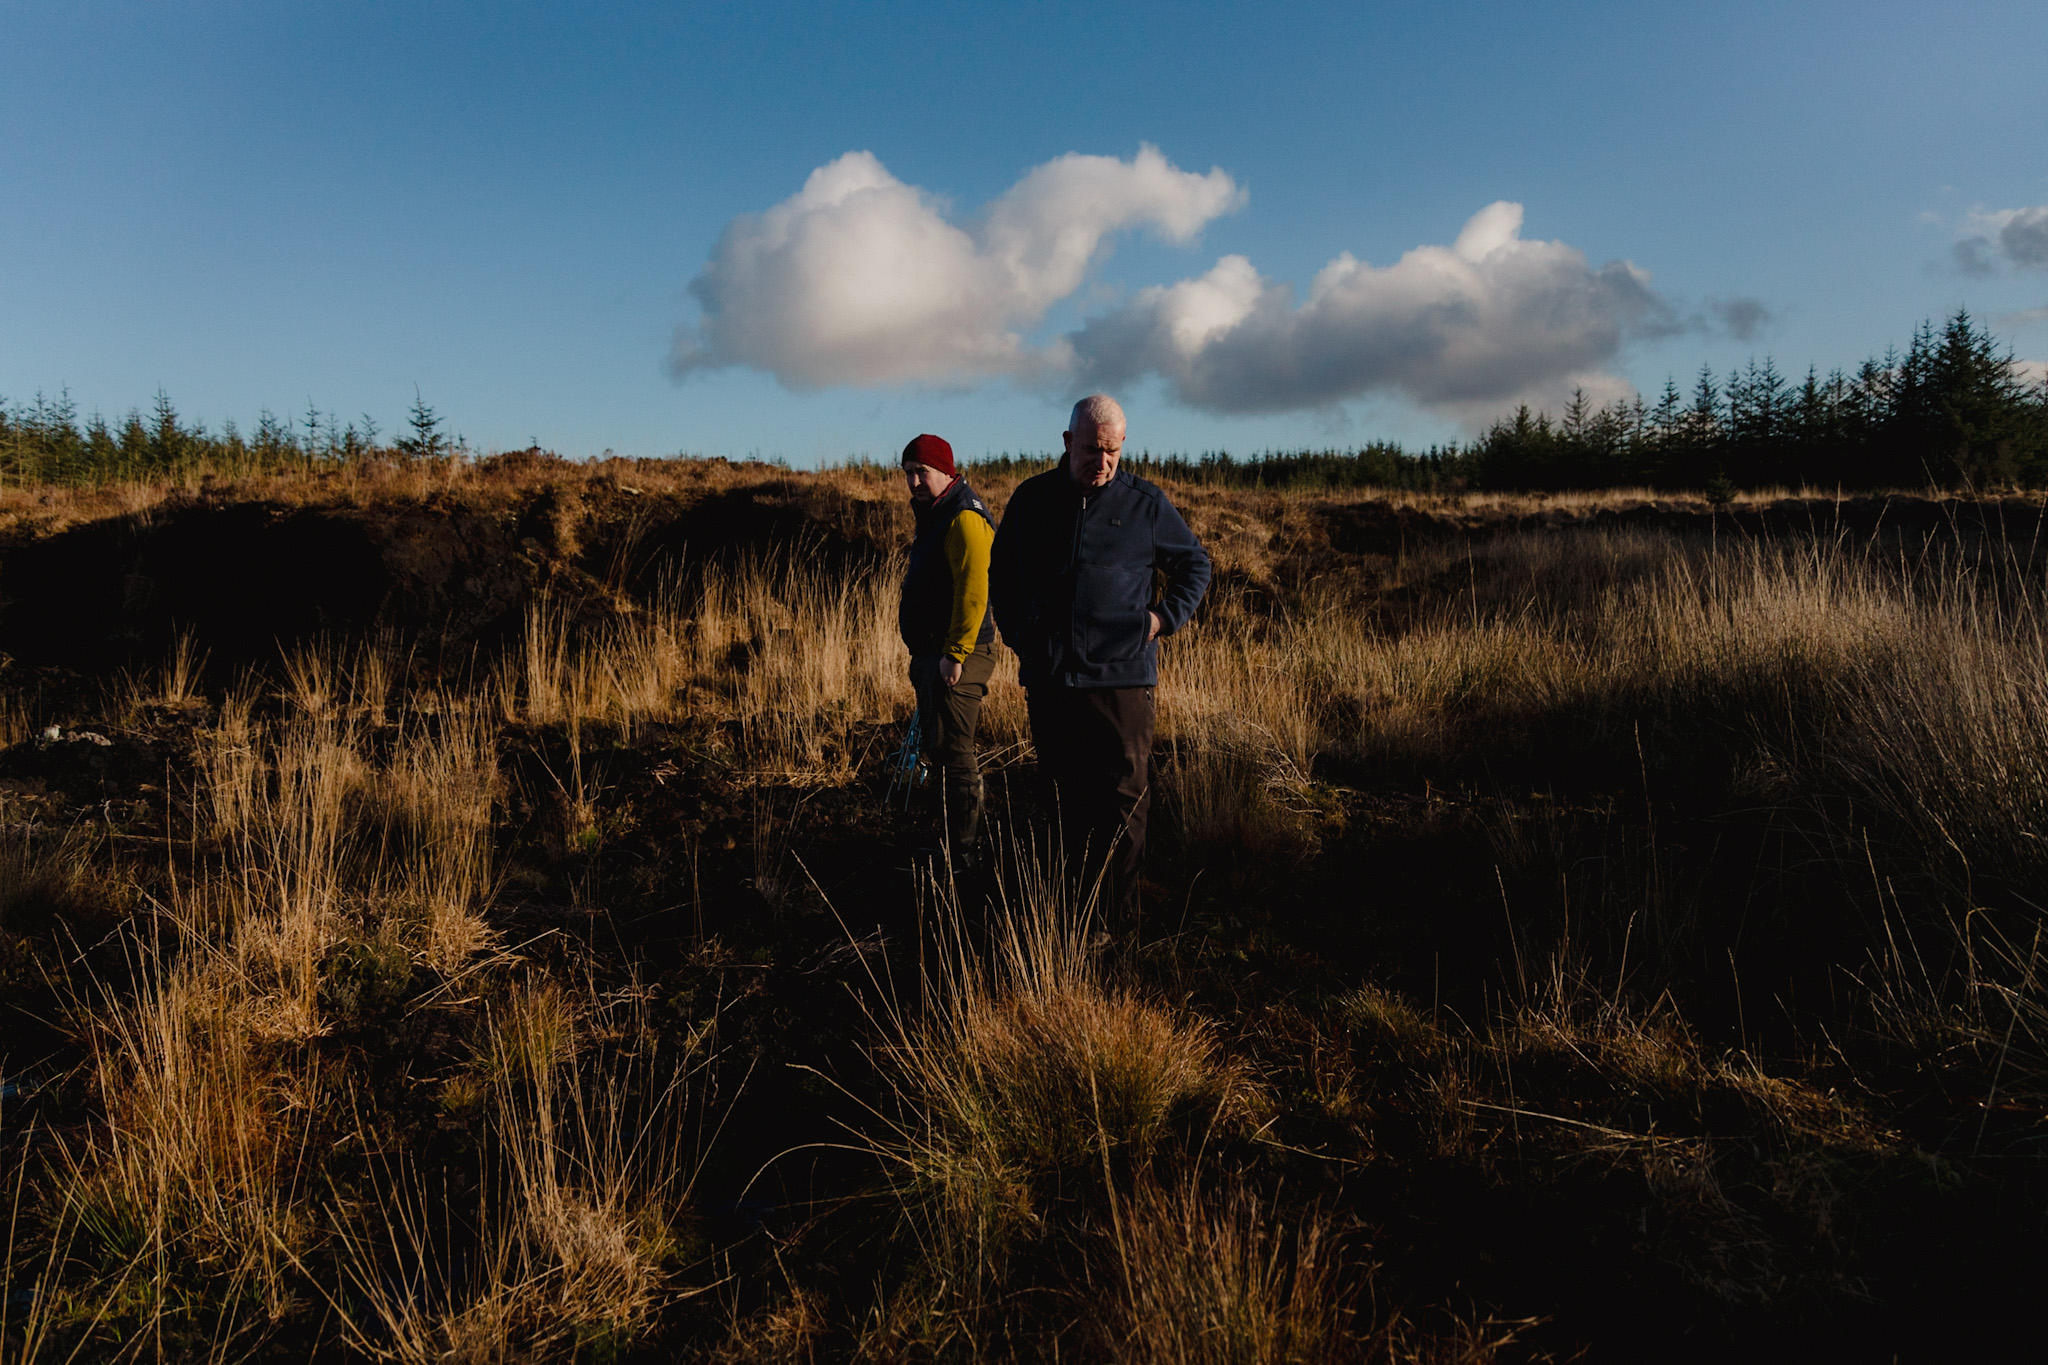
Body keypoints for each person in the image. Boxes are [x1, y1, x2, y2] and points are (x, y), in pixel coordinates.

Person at [989, 395, 1211, 922]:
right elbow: (1002, 577)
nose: (1103, 461)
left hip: (1122, 682)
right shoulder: (1032, 500)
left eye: (1112, 451)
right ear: (1067, 443)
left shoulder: (1145, 504)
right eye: (1092, 449)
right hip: (1051, 680)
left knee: (1123, 802)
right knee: (1062, 799)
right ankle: (1064, 913)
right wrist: (1023, 637)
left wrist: (1159, 620)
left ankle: (1117, 922)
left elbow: (1195, 565)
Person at [897, 432, 998, 868]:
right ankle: (953, 845)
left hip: (960, 654)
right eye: (908, 474)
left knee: (957, 751)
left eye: (922, 472)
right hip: (938, 653)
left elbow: (975, 592)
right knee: (941, 747)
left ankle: (964, 855)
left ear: (946, 471)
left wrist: (955, 654)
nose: (915, 482)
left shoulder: (963, 517)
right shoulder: (937, 513)